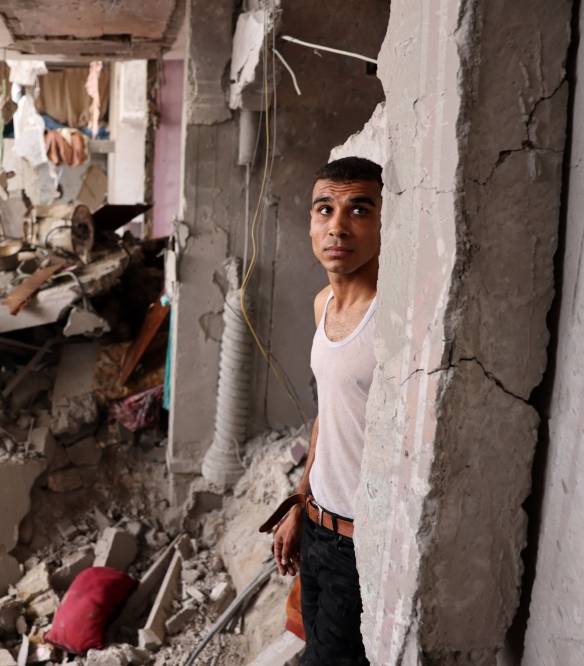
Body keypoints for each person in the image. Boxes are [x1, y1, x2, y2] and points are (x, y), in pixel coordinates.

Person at [270, 156, 382, 666]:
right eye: (325, 209)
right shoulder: (323, 306)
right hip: (316, 528)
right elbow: (327, 417)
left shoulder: (392, 321)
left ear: (384, 222)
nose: (338, 225)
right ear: (311, 224)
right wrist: (300, 503)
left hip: (359, 550)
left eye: (359, 209)